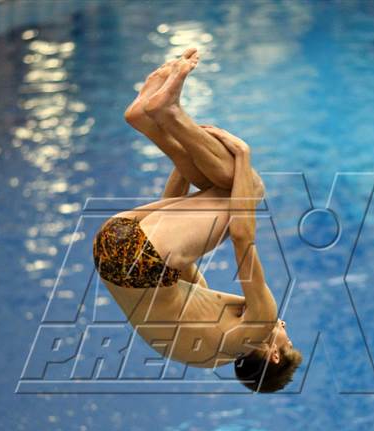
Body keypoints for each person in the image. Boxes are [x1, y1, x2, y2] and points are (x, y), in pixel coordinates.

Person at [93, 48, 302, 392]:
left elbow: (242, 238)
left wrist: (244, 157)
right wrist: (181, 156)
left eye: (288, 339)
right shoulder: (208, 348)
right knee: (224, 186)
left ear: (274, 355)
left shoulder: (262, 321)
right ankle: (149, 120)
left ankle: (168, 115)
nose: (284, 325)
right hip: (112, 245)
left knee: (250, 187)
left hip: (139, 257)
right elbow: (169, 220)